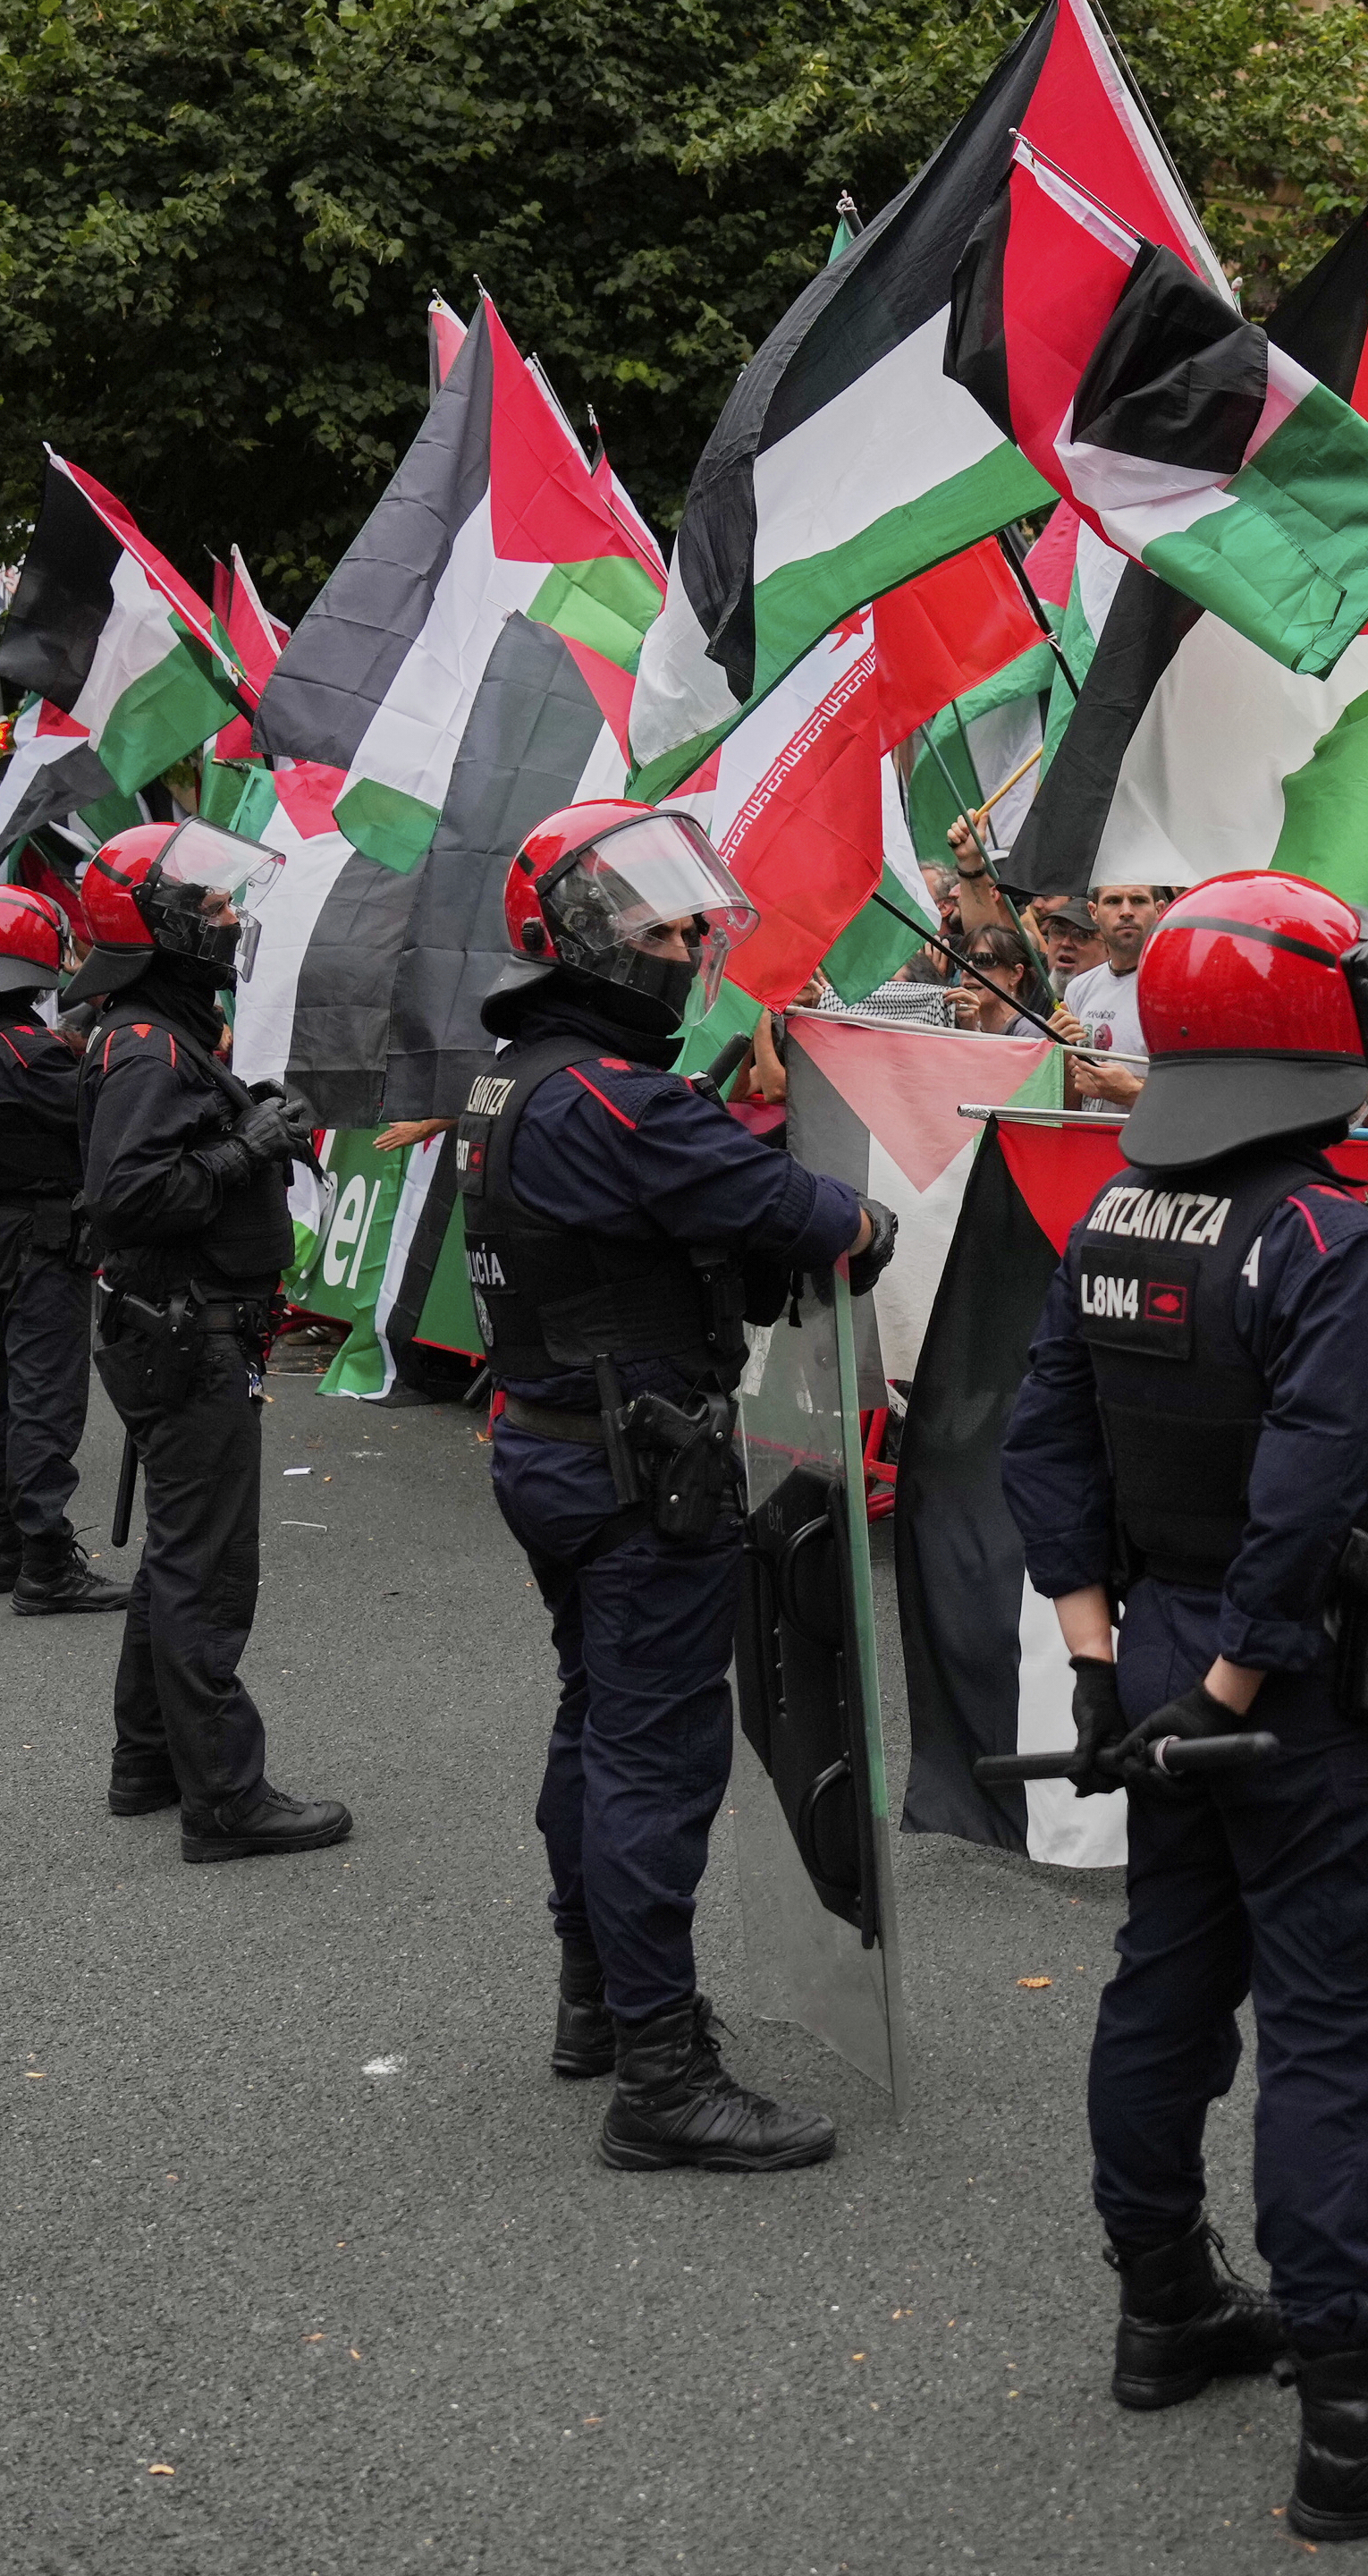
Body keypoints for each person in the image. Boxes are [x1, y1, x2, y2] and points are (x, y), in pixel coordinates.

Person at [1003, 870, 1368, 2542]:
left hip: (1155, 1660)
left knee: (1164, 1984)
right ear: (1325, 1023)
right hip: (1288, 1687)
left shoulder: (1108, 1216)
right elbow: (1314, 1481)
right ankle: (1353, 2413)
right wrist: (1239, 1672)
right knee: (1325, 2037)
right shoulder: (1323, 1233)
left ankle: (1164, 2302)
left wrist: (1107, 1669)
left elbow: (1047, 1446)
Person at [461, 799, 886, 2171]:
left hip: (556, 1441)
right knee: (655, 1759)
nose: (692, 938)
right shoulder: (609, 1096)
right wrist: (863, 1217)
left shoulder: (524, 1075)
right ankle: (660, 2067)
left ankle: (598, 1997)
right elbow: (811, 1216)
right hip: (635, 1462)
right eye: (659, 918)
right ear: (581, 938)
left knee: (596, 1726)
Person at [72, 819, 353, 1862]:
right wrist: (248, 1146)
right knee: (208, 1567)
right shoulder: (148, 1042)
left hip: (176, 1328)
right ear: (156, 927)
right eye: (212, 906)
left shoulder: (153, 1028)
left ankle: (148, 1761)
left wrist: (245, 1122)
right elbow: (129, 1196)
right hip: (187, 1330)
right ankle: (225, 1800)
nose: (230, 918)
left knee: (179, 1555)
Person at [0, 886, 126, 1613]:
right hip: (38, 1230)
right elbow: (100, 1109)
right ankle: (46, 1559)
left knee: (0, 1383)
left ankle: (1, 1544)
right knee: (45, 1391)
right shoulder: (22, 1049)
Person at [1058, 879, 1164, 1107]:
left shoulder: (1181, 989)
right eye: (1113, 901)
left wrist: (1133, 1092)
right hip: (1091, 1140)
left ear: (1159, 910)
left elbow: (1204, 1096)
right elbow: (1070, 1105)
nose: (1126, 911)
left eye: (1138, 900)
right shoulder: (1078, 989)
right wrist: (1060, 1055)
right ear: (1093, 912)